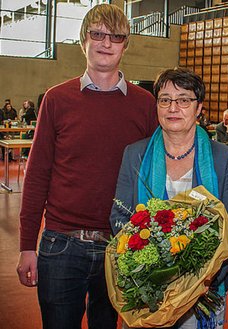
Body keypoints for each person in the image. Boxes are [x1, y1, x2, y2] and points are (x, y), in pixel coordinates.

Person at [16, 4, 158, 329]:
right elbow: (37, 175)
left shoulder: (145, 104)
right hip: (61, 243)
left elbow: (154, 175)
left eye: (116, 37)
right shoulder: (56, 99)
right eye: (98, 34)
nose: (106, 43)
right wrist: (26, 246)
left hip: (120, 246)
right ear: (84, 40)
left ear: (125, 45)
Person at [110, 67, 228, 328]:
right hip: (148, 292)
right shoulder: (134, 154)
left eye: (184, 99)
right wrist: (144, 270)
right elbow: (119, 217)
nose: (173, 107)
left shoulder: (222, 158)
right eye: (165, 99)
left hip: (204, 291)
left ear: (198, 108)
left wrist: (209, 276)